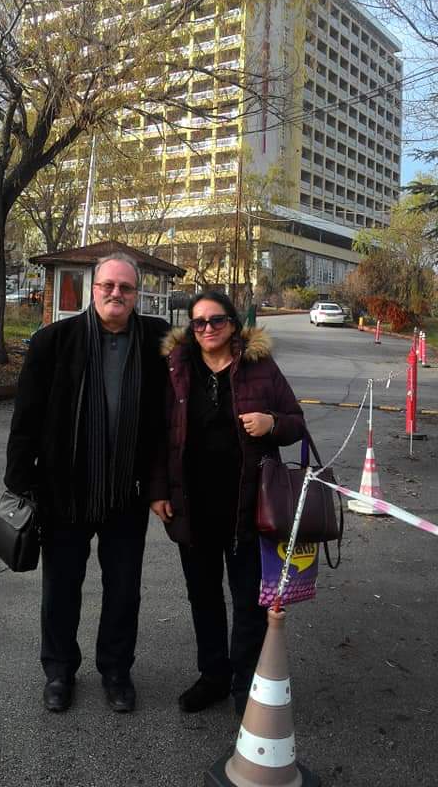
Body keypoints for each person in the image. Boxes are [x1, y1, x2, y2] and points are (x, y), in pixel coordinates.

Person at [5, 253, 169, 714]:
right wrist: (20, 484)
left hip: (126, 491)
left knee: (124, 590)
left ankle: (116, 671)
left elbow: (208, 357)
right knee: (61, 588)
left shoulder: (158, 340)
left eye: (126, 288)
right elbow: (26, 418)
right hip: (65, 492)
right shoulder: (54, 341)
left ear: (137, 294)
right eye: (108, 285)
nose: (116, 293)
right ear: (93, 288)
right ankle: (59, 671)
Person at [150, 291, 304, 716]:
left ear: (233, 323)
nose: (207, 329)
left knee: (248, 602)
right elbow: (160, 434)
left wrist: (272, 423)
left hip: (247, 509)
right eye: (198, 322)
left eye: (216, 320)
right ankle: (213, 677)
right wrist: (158, 490)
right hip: (193, 507)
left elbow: (295, 422)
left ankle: (245, 683)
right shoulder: (177, 367)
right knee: (203, 598)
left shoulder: (259, 366)